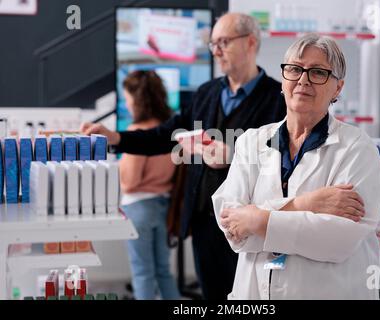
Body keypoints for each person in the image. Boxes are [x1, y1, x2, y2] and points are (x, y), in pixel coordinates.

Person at [81, 13, 286, 300]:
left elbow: (286, 155)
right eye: (213, 44)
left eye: (223, 43)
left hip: (251, 221)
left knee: (252, 296)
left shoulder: (278, 99)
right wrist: (117, 138)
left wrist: (235, 155)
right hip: (205, 218)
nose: (216, 52)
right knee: (213, 293)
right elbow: (164, 135)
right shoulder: (207, 93)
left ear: (251, 42)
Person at [212, 33, 380, 299]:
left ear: (337, 87)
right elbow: (232, 228)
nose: (303, 79)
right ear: (283, 80)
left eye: (317, 72)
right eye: (294, 69)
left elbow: (337, 241)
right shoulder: (250, 142)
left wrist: (257, 219)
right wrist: (307, 204)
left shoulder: (357, 150)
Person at [119, 70, 180, 300]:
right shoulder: (166, 131)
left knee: (142, 273)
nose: (126, 104)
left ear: (138, 99)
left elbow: (130, 182)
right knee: (164, 272)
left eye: (127, 98)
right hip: (163, 207)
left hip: (138, 209)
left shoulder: (137, 133)